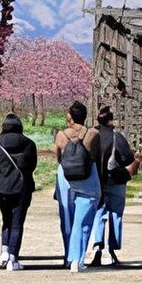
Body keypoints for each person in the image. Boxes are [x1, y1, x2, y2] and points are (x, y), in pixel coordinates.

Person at [53, 100, 103, 273]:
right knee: (83, 220)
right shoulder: (93, 133)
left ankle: (68, 256)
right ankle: (78, 259)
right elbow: (96, 156)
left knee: (67, 218)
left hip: (66, 176)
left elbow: (58, 157)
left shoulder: (61, 135)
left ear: (70, 116)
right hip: (88, 177)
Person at [91, 104, 137, 267]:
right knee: (116, 214)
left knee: (99, 214)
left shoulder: (92, 136)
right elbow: (127, 158)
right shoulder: (117, 137)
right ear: (111, 121)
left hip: (97, 180)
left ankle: (97, 247)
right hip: (115, 180)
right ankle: (112, 250)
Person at [0, 111, 37, 271]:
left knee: (6, 220)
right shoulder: (29, 144)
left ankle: (4, 251)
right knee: (17, 223)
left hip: (3, 188)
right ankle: (13, 258)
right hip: (22, 187)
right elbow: (32, 165)